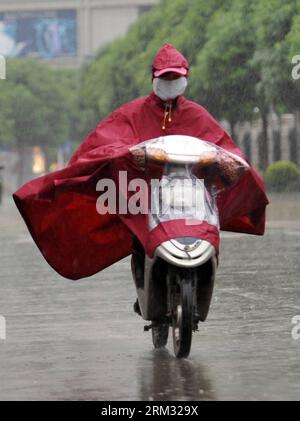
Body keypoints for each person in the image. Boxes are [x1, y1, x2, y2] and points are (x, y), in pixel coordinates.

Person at [13, 43, 268, 281]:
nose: (170, 82)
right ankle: (143, 279)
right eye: (165, 77)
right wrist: (127, 154)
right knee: (138, 235)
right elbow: (105, 144)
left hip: (188, 200)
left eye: (174, 77)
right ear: (154, 77)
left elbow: (223, 148)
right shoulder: (132, 113)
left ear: (185, 77)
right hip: (144, 198)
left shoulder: (196, 115)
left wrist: (228, 163)